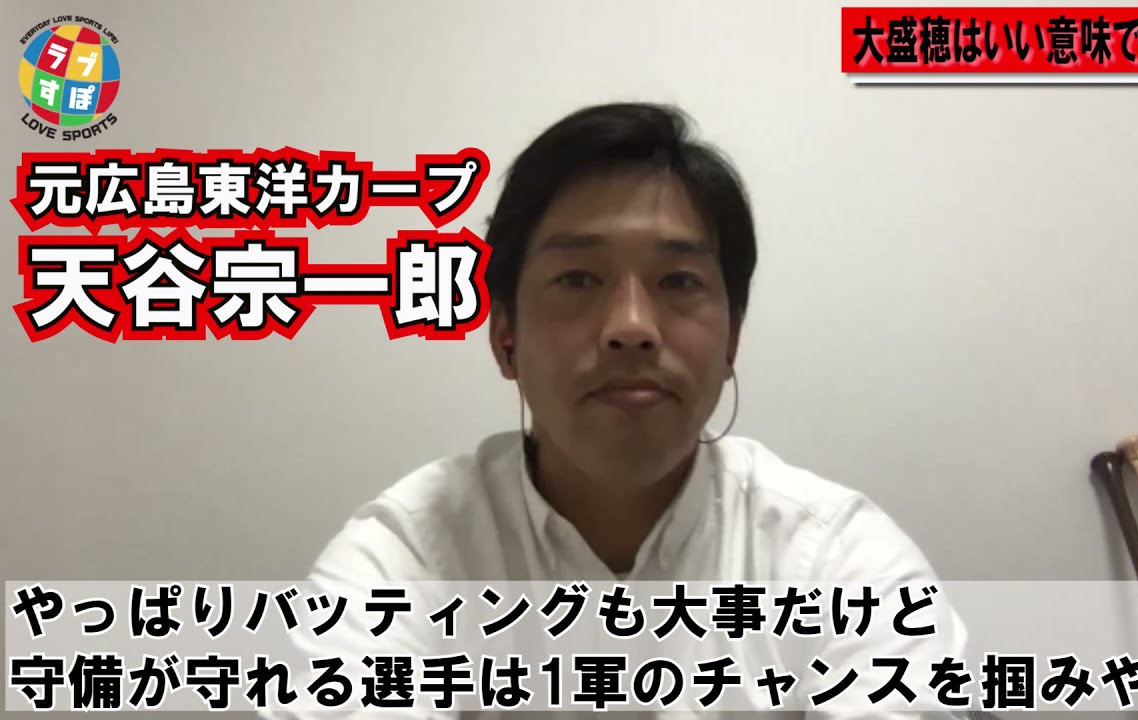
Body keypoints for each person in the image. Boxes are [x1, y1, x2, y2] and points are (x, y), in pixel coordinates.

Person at [263, 102, 968, 718]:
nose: (631, 326)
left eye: (678, 281)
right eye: (578, 279)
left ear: (732, 339)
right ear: (505, 336)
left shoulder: (834, 560)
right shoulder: (406, 559)